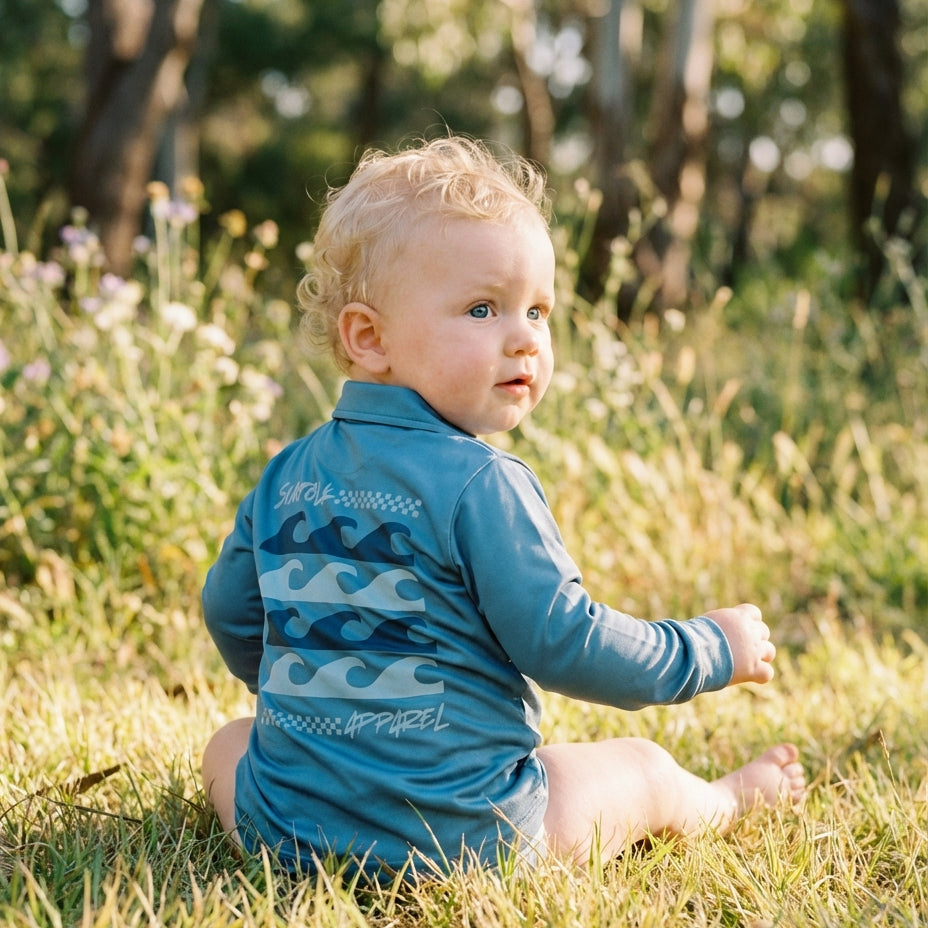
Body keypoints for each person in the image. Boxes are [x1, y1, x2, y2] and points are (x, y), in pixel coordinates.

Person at [200, 136, 805, 880]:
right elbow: (566, 644)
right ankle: (721, 799)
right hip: (464, 841)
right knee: (640, 772)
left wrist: (324, 706)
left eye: (539, 311)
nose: (524, 338)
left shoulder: (284, 475)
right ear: (369, 338)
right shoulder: (481, 482)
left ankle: (316, 816)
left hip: (288, 830)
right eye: (483, 308)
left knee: (230, 743)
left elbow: (231, 614)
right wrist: (708, 647)